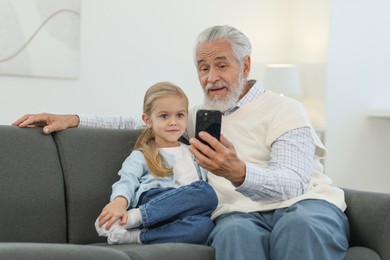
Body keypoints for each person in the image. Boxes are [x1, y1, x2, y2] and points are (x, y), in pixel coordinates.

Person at [13, 25, 350, 259]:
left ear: (245, 64)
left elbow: (292, 184)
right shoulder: (202, 115)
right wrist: (74, 119)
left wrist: (238, 172)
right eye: (202, 67)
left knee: (299, 227)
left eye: (221, 65)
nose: (210, 77)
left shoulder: (285, 110)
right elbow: (142, 120)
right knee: (234, 234)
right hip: (237, 213)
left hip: (302, 204)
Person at [94, 81, 217, 245]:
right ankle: (131, 218)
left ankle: (134, 237)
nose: (173, 122)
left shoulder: (193, 151)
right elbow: (127, 181)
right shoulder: (142, 155)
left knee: (204, 225)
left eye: (179, 115)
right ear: (148, 120)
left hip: (181, 214)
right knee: (205, 191)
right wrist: (119, 203)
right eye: (164, 116)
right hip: (154, 200)